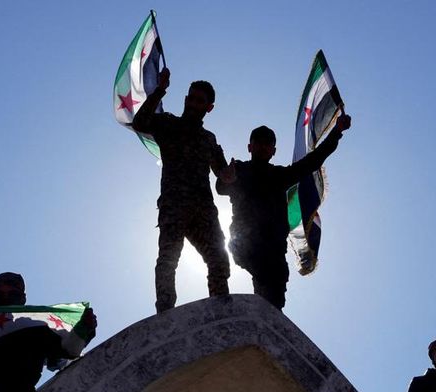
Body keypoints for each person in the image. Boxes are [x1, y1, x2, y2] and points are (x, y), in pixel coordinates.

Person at [215, 117, 351, 309]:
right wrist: (226, 178)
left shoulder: (279, 175)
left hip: (274, 248)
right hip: (246, 244)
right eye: (258, 143)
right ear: (250, 147)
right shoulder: (241, 169)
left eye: (267, 144)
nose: (262, 147)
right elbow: (221, 188)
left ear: (273, 151)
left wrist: (337, 131)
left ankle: (264, 319)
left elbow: (312, 161)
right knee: (266, 277)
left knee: (275, 296)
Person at [132, 68, 236, 313]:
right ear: (186, 99)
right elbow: (139, 122)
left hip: (204, 211)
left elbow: (222, 178)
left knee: (219, 260)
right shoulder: (168, 123)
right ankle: (166, 310)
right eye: (191, 97)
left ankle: (220, 309)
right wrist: (159, 90)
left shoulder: (208, 139)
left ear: (208, 107)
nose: (193, 103)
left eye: (200, 100)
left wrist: (228, 177)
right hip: (174, 205)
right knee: (168, 258)